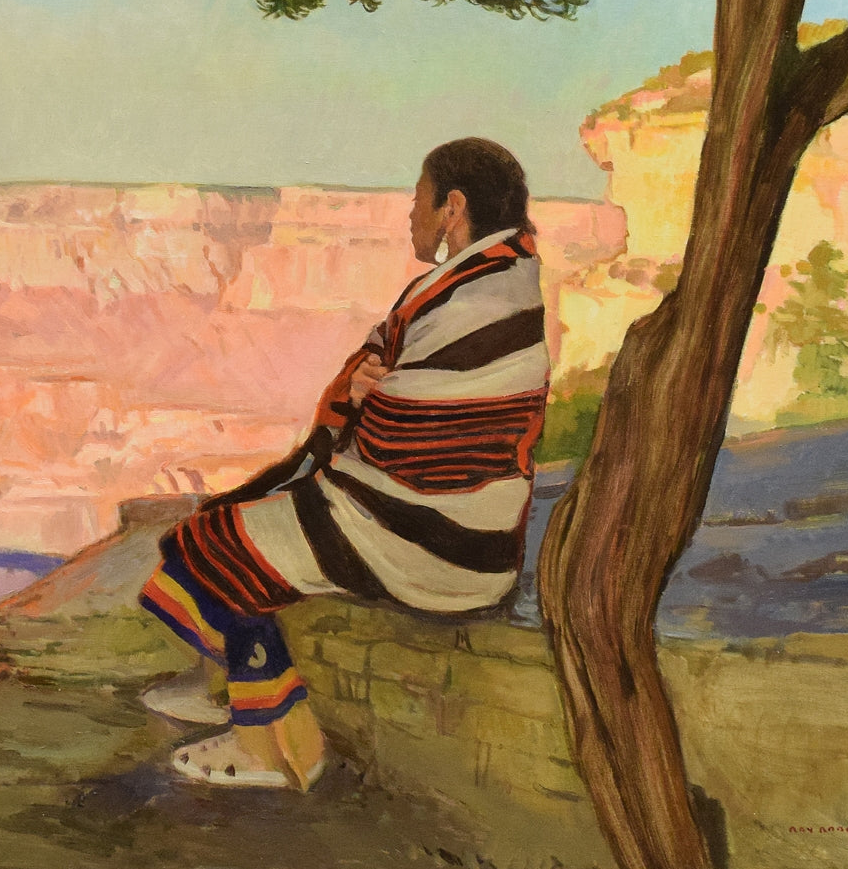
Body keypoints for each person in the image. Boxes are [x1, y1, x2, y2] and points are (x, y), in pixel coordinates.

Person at [138, 137, 549, 790]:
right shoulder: (489, 278)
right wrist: (366, 384)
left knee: (213, 543)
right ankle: (222, 688)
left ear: (452, 208)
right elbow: (386, 358)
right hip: (443, 522)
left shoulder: (479, 300)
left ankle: (272, 747)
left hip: (432, 540)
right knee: (223, 522)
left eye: (418, 199)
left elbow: (420, 437)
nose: (409, 214)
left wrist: (363, 398)